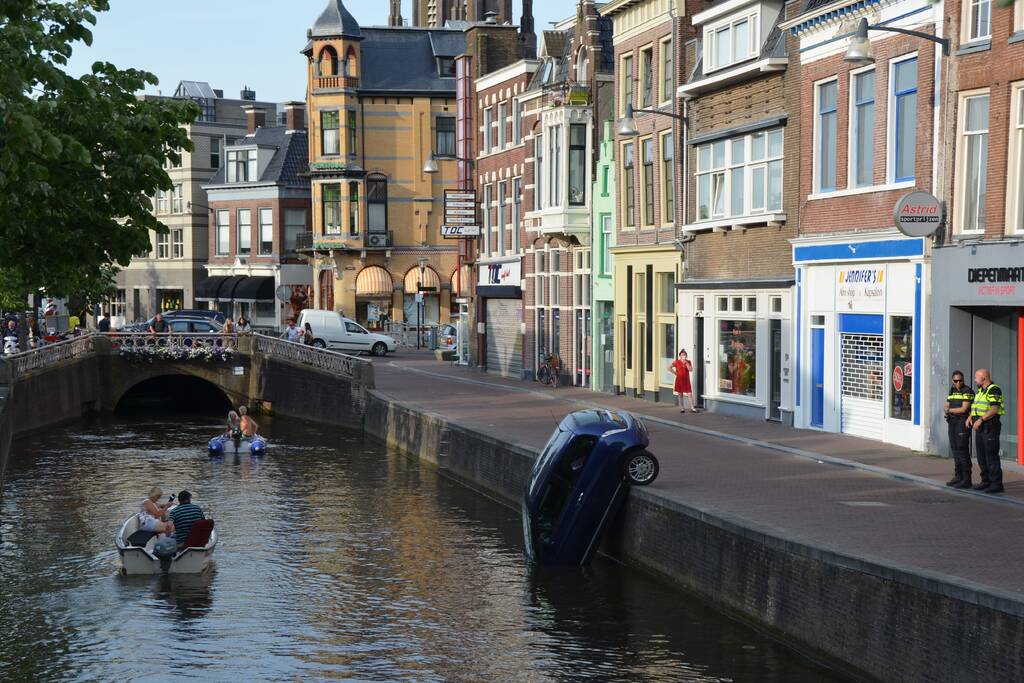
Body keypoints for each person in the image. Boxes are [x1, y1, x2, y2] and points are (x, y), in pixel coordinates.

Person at [966, 369, 1006, 494]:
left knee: (991, 456)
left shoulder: (994, 389)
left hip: (990, 426)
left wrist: (981, 420)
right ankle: (986, 481)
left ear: (984, 377)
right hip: (981, 427)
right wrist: (970, 417)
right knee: (981, 456)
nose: (974, 380)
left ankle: (996, 484)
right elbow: (977, 407)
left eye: (976, 377)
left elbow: (994, 409)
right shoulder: (980, 391)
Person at [943, 371, 974, 489]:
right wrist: (946, 409)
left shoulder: (967, 391)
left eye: (960, 380)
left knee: (962, 449)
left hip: (962, 422)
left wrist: (949, 410)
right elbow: (946, 404)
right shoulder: (952, 390)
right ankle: (958, 476)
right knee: (955, 449)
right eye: (956, 381)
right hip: (952, 422)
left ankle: (967, 479)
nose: (958, 382)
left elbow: (964, 409)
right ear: (952, 381)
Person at [669, 349, 697, 413]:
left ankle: (692, 407)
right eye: (682, 355)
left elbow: (690, 370)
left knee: (689, 394)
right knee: (680, 394)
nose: (683, 356)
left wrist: (686, 363)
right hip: (679, 380)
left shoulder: (688, 362)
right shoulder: (677, 362)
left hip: (686, 380)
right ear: (680, 356)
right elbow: (669, 367)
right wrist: (675, 373)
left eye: (684, 355)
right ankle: (682, 408)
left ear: (686, 356)